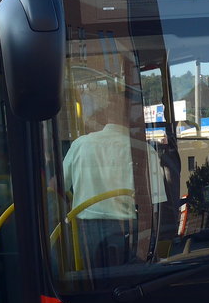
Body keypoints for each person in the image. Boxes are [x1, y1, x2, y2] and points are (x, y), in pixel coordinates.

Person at [62, 100, 165, 267]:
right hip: (128, 230)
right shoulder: (145, 151)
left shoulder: (80, 144)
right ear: (134, 119)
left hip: (85, 232)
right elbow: (153, 210)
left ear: (107, 117)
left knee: (92, 280)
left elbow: (56, 187)